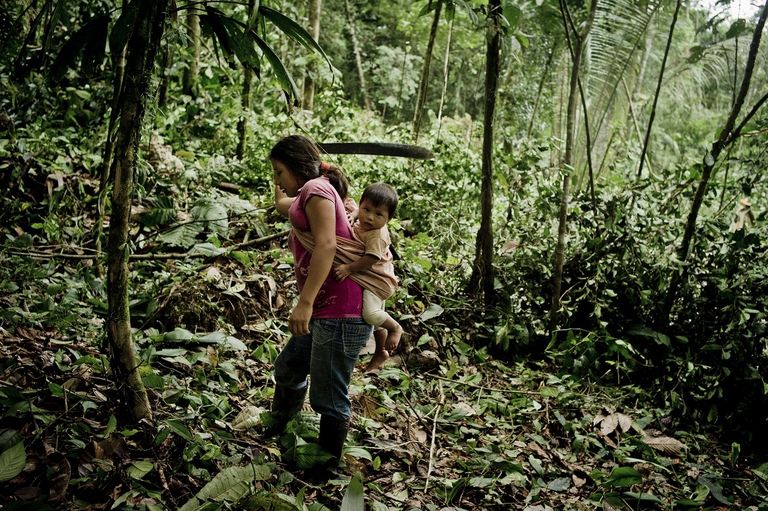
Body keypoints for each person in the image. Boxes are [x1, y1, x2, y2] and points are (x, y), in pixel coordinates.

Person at [268, 134, 373, 471]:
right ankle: (280, 429)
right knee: (288, 368)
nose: (278, 180)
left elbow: (327, 246)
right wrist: (277, 183)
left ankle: (324, 467)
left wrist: (305, 302)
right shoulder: (308, 192)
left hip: (339, 311)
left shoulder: (316, 191)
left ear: (298, 167)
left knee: (329, 397)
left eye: (280, 172)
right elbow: (283, 205)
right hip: (325, 309)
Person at [333, 183, 402, 371]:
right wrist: (354, 214)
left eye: (378, 214)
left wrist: (348, 268)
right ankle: (381, 351)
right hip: (381, 276)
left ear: (389, 218)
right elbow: (356, 209)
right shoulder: (361, 217)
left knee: (371, 314)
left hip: (376, 280)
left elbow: (370, 259)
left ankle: (396, 328)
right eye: (366, 209)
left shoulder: (376, 235)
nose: (369, 217)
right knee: (379, 318)